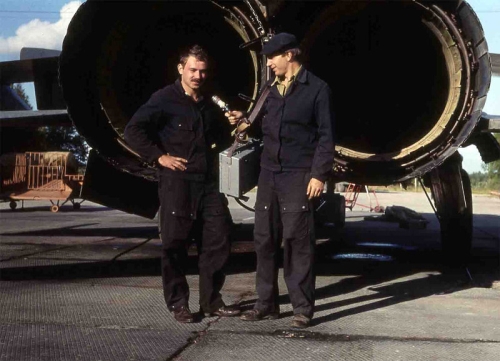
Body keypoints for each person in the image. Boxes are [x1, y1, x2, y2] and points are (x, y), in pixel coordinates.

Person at [124, 45, 240, 323]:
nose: (198, 75)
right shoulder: (163, 99)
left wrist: (238, 123)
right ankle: (179, 303)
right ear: (181, 69)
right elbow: (133, 130)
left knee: (218, 240)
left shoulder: (211, 103)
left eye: (202, 70)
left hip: (209, 184)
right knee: (175, 244)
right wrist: (159, 156)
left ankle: (212, 302)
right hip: (177, 183)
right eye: (193, 70)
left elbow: (222, 139)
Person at [226, 33, 335, 328]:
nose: (269, 63)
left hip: (299, 175)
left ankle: (302, 307)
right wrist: (243, 122)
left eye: (272, 57)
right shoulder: (268, 91)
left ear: (289, 55)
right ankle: (266, 304)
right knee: (264, 240)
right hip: (269, 174)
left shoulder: (317, 89)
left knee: (298, 242)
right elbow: (261, 129)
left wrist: (318, 175)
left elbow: (326, 138)